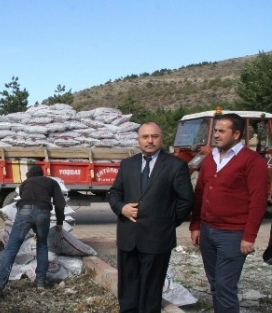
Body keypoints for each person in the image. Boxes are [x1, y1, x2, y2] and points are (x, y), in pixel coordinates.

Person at [108, 122, 193, 313]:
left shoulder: (175, 165)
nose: (150, 140)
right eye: (145, 137)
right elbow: (114, 193)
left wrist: (167, 222)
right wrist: (122, 209)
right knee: (128, 288)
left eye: (154, 136)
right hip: (128, 237)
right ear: (138, 140)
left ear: (161, 139)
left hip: (158, 238)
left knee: (151, 290)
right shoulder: (128, 164)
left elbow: (185, 201)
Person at [189, 113, 268, 312]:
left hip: (233, 235)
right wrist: (196, 225)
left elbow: (258, 201)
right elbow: (199, 194)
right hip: (207, 232)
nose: (216, 135)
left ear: (236, 134)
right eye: (215, 130)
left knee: (225, 286)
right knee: (215, 285)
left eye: (221, 131)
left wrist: (249, 237)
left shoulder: (252, 161)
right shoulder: (209, 160)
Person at [0, 165, 66, 297]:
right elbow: (60, 203)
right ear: (42, 174)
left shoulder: (25, 183)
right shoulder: (51, 182)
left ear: (30, 175)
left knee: (12, 248)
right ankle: (40, 282)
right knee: (42, 245)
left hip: (24, 211)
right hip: (43, 212)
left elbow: (25, 199)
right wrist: (59, 222)